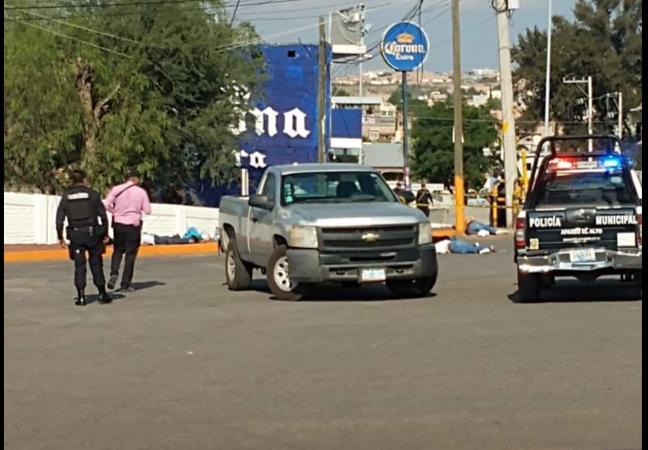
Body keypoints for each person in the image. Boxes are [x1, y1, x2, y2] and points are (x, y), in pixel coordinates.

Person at [56, 169, 112, 306]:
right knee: (96, 264)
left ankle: (81, 297)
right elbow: (103, 216)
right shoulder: (93, 194)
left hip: (76, 235)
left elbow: (59, 219)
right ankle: (102, 293)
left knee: (79, 266)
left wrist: (60, 237)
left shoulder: (66, 196)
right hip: (93, 234)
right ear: (84, 179)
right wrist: (105, 234)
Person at [104, 169, 152, 292]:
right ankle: (125, 284)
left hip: (118, 224)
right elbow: (147, 210)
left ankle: (114, 273)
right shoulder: (141, 192)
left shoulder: (116, 189)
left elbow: (105, 204)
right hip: (133, 226)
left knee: (118, 250)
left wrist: (115, 212)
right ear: (135, 179)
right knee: (130, 255)